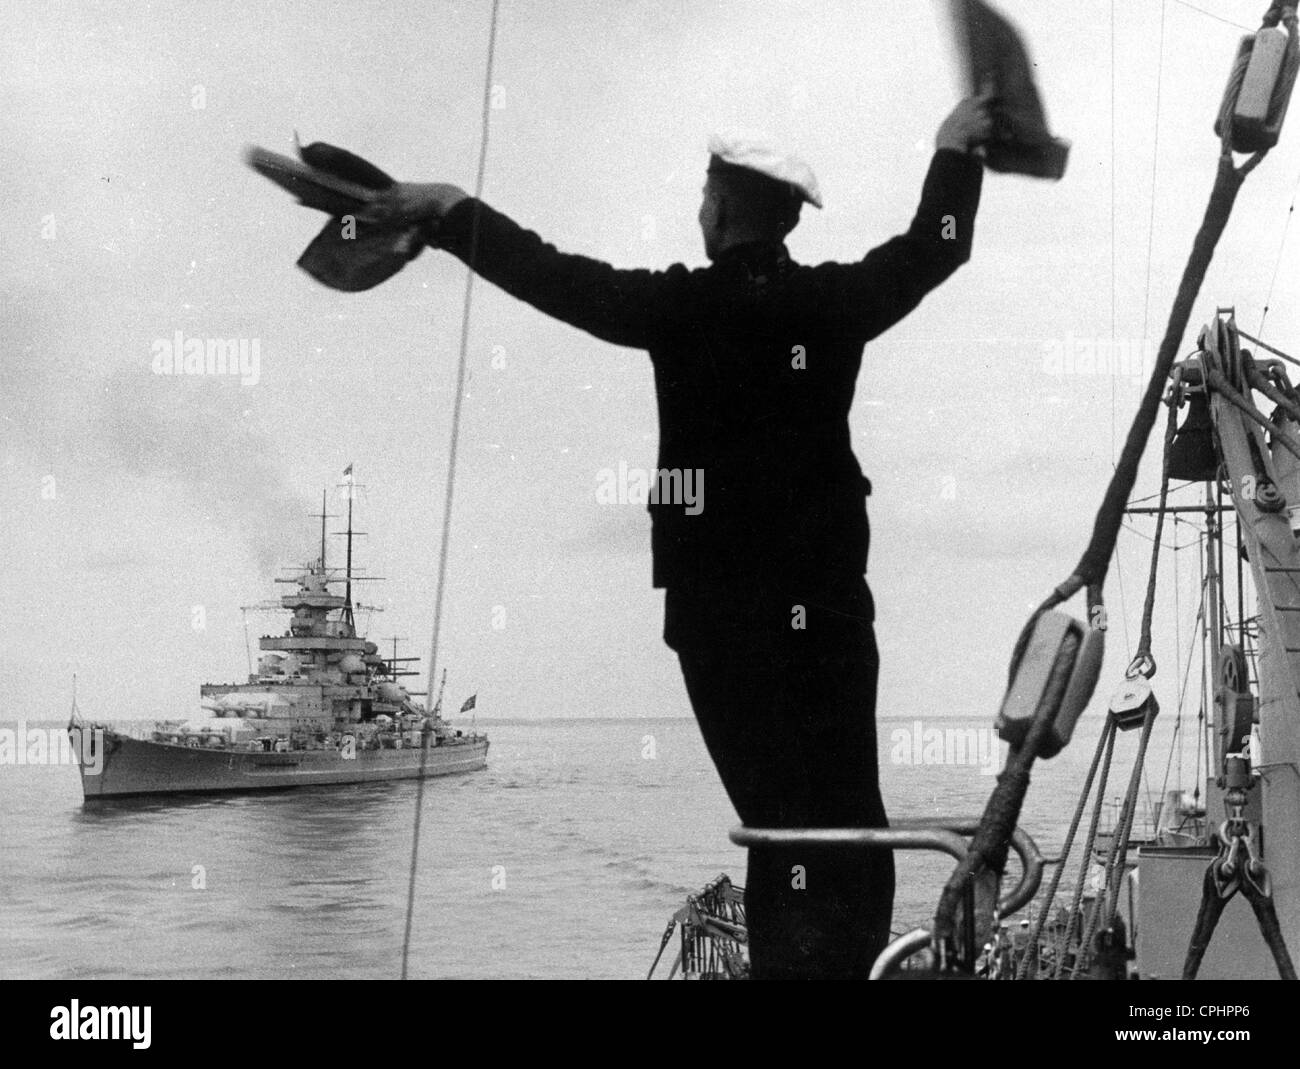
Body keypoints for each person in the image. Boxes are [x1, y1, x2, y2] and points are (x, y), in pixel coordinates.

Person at [362, 93, 993, 978]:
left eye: (705, 195)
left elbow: (550, 274)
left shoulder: (676, 311)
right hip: (831, 617)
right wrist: (955, 149)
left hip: (720, 624)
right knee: (850, 815)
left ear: (725, 207)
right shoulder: (833, 303)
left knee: (778, 827)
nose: (699, 210)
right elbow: (939, 245)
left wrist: (448, 212)